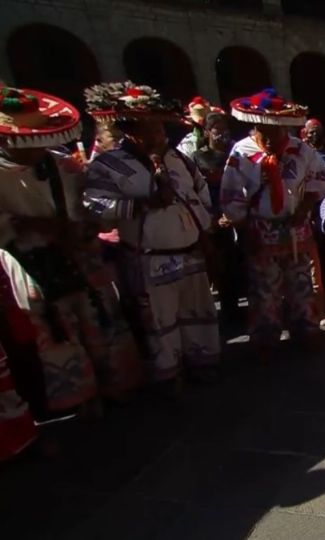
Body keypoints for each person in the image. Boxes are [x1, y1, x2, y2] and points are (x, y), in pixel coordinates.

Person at [0, 85, 143, 416]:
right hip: (33, 265)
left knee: (100, 317)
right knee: (57, 331)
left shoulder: (64, 165)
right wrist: (31, 225)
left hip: (81, 255)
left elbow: (91, 203)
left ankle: (116, 383)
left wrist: (89, 222)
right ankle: (81, 396)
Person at [84, 82, 220, 392]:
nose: (157, 135)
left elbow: (199, 192)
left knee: (196, 309)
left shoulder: (179, 159)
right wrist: (141, 204)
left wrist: (205, 232)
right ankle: (169, 372)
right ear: (130, 131)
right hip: (149, 257)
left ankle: (201, 361)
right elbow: (94, 204)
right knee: (159, 319)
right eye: (149, 129)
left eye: (160, 128)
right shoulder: (108, 164)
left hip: (190, 252)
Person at [221, 89, 325, 351]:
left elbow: (321, 180)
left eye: (276, 131)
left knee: (301, 283)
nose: (270, 138)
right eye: (264, 131)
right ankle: (265, 338)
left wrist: (304, 207)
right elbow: (231, 194)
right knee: (263, 289)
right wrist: (244, 223)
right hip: (261, 229)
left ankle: (305, 331)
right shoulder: (241, 153)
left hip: (296, 228)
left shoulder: (301, 150)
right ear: (255, 126)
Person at [188, 109, 245, 325]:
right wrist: (212, 218)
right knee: (220, 265)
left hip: (238, 213)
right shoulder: (199, 157)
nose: (222, 133)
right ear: (207, 132)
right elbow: (197, 190)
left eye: (225, 129)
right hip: (214, 216)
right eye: (217, 129)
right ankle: (226, 311)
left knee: (238, 262)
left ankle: (242, 305)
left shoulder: (236, 153)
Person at [302, 118, 325, 326]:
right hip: (307, 214)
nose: (314, 135)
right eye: (310, 131)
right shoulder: (301, 154)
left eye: (317, 131)